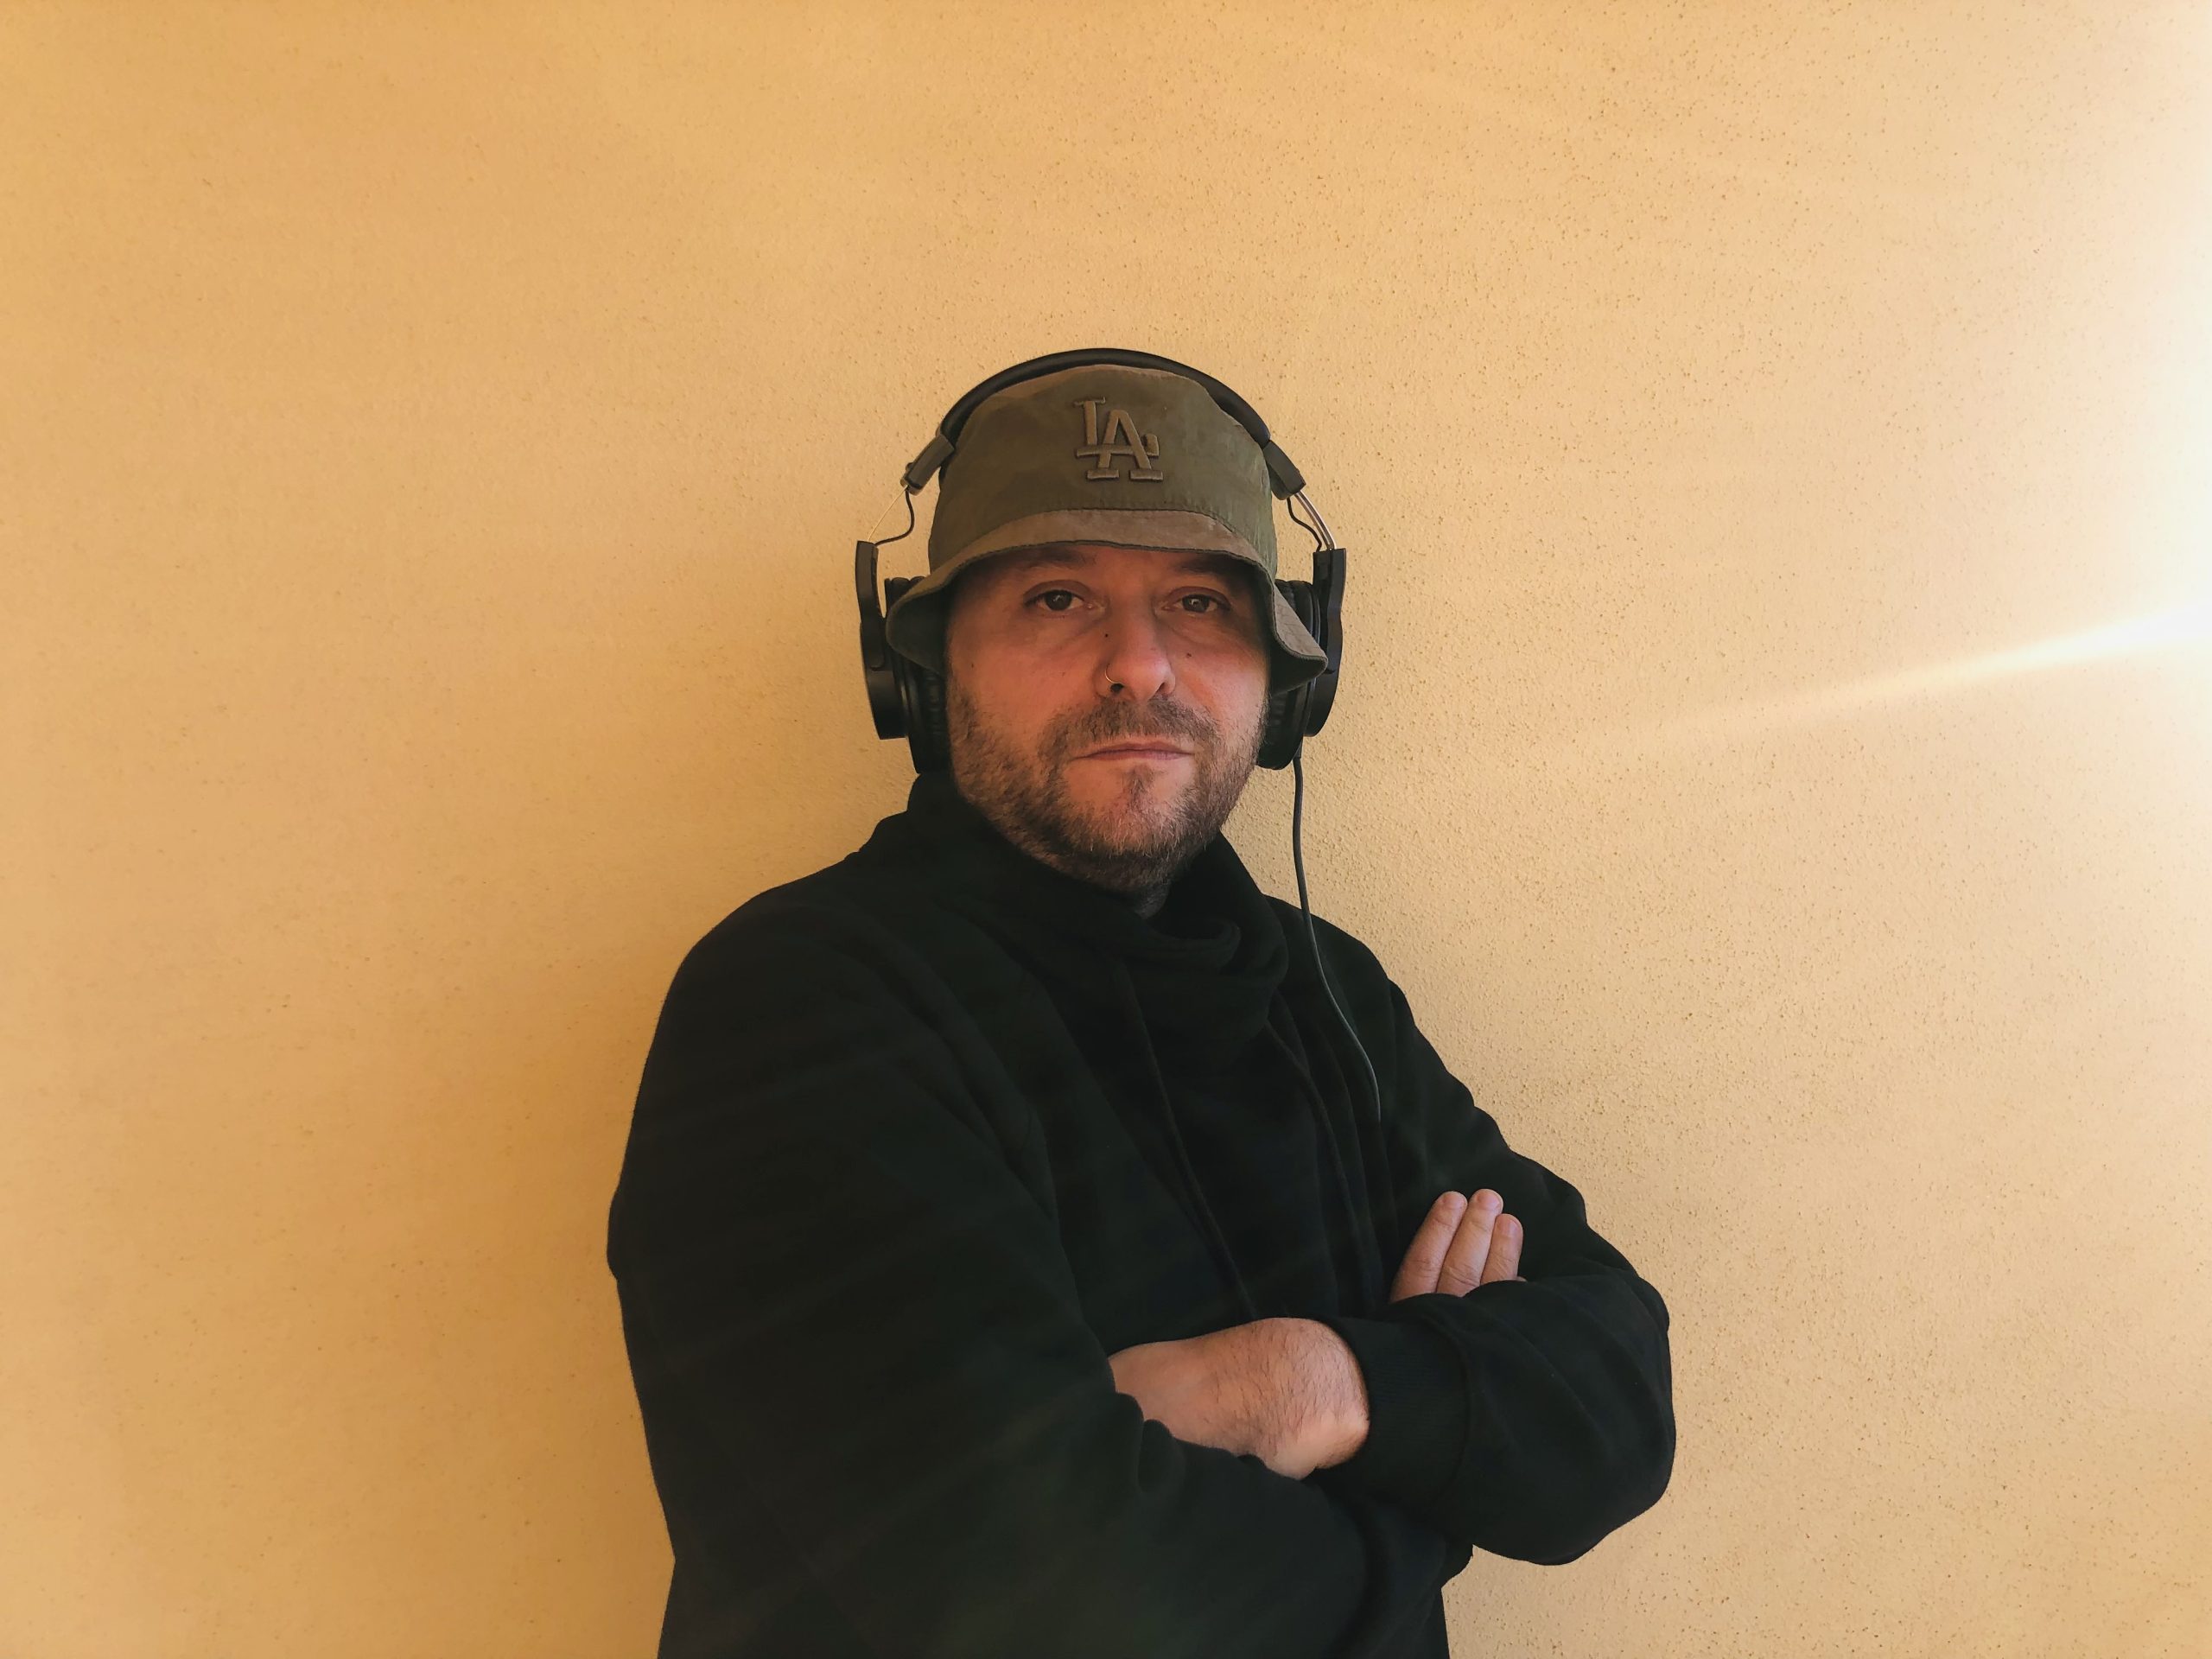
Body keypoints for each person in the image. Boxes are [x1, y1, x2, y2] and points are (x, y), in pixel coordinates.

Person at [606, 359, 1675, 1659]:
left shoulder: (1327, 991)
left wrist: (1303, 1384)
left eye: (1199, 602)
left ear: (1290, 681)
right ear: (924, 677)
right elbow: (1044, 1599)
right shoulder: (796, 1004)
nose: (1139, 665)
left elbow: (1617, 1407)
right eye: (1057, 598)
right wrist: (1434, 1466)